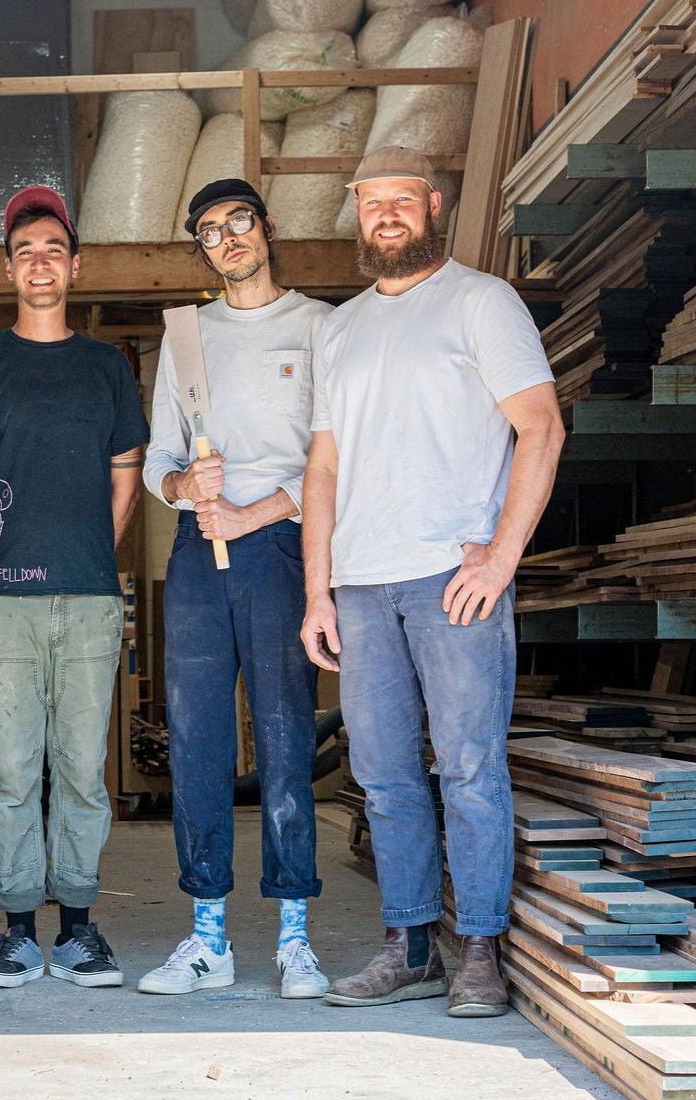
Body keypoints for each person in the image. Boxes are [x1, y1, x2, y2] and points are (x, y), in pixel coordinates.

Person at [302, 147, 564, 1017]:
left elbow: (541, 428)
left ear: (433, 204)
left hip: (452, 580)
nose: (385, 215)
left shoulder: (482, 302)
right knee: (382, 776)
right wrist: (317, 591)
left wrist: (500, 555)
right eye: (370, 202)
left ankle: (479, 951)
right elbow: (324, 471)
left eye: (400, 201)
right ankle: (410, 946)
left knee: (470, 766)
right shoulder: (338, 330)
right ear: (357, 211)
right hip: (362, 584)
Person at [137, 179, 331, 999]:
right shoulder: (188, 334)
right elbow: (156, 465)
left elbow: (336, 460)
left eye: (238, 222)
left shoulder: (323, 326)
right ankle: (208, 936)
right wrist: (187, 485)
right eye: (210, 231)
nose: (227, 239)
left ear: (267, 227)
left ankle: (296, 939)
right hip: (198, 550)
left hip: (283, 545)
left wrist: (257, 513)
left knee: (287, 738)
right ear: (202, 248)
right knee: (199, 742)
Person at [0, 187, 148, 989]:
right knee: (9, 770)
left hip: (91, 599)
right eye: (25, 250)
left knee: (78, 767)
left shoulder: (107, 366)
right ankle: (14, 930)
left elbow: (125, 478)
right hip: (1, 601)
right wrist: (1, 553)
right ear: (9, 268)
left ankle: (76, 926)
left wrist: (83, 556)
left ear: (76, 266)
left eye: (53, 250)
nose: (41, 262)